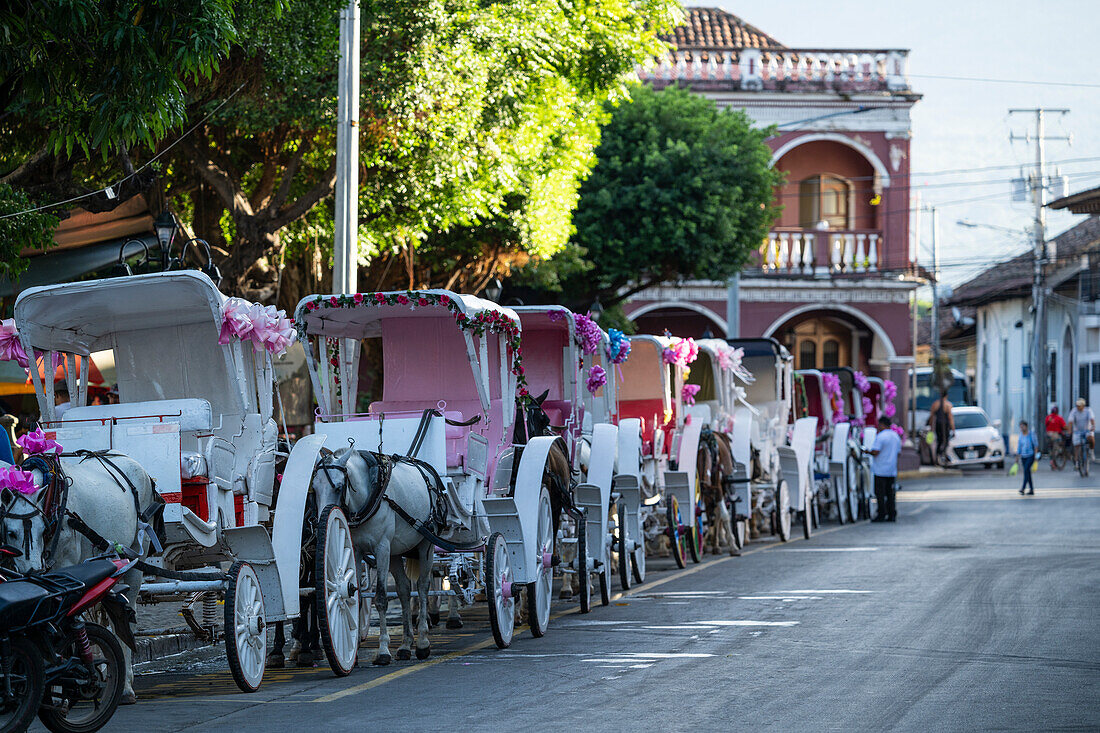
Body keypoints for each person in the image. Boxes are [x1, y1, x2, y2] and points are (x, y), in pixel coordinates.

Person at [869, 415, 902, 522]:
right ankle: (892, 513)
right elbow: (898, 453)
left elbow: (875, 451)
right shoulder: (896, 436)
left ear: (882, 424)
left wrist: (867, 452)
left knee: (880, 494)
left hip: (880, 470)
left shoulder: (881, 436)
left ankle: (881, 514)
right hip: (891, 470)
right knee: (890, 494)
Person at [928, 391, 955, 466]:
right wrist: (953, 429)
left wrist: (931, 427)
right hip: (945, 425)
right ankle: (942, 454)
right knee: (945, 441)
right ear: (946, 396)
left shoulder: (935, 404)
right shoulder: (948, 405)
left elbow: (931, 417)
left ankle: (939, 456)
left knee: (939, 441)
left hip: (938, 424)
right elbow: (950, 418)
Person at [1017, 420, 1037, 496]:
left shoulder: (1031, 434)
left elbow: (1035, 446)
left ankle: (1023, 488)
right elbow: (1019, 447)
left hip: (1030, 456)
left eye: (1023, 426)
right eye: (1020, 427)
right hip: (1023, 456)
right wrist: (1017, 457)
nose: (1022, 428)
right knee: (1027, 472)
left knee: (1026, 470)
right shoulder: (1021, 436)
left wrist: (1035, 457)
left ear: (1026, 426)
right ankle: (1031, 489)